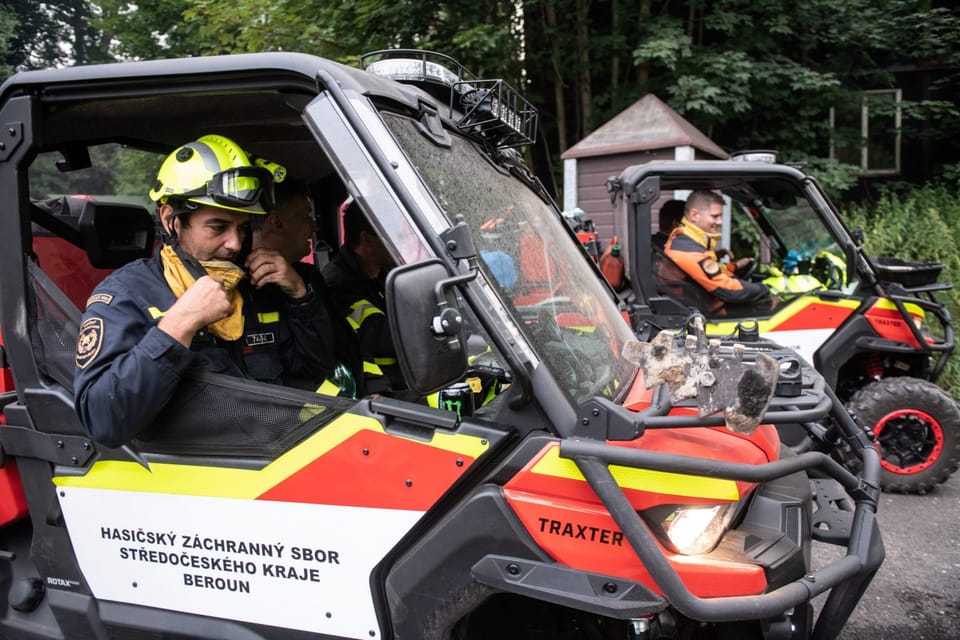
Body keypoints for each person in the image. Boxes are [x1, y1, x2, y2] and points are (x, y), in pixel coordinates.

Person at [74, 134, 336, 447]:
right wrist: (179, 325)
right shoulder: (127, 295)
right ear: (171, 220)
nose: (235, 244)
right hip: (196, 485)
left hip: (277, 463)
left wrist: (299, 296)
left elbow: (311, 372)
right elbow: (104, 422)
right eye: (217, 227)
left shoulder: (253, 284)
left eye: (242, 228)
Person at [322, 198, 403, 395]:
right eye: (393, 234)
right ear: (367, 240)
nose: (400, 240)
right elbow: (385, 337)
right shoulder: (337, 285)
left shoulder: (385, 273)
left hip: (406, 378)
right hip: (385, 390)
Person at [660, 189, 770, 311]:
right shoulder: (687, 251)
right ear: (694, 215)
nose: (720, 221)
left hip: (698, 306)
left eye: (720, 216)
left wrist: (734, 267)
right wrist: (765, 289)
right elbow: (728, 291)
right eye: (715, 216)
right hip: (695, 315)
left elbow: (714, 272)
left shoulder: (688, 241)